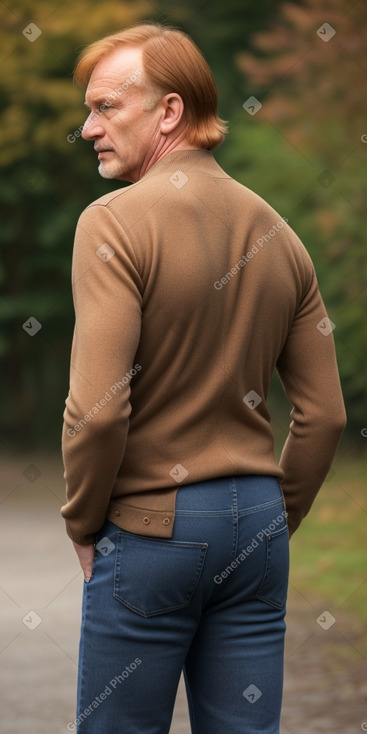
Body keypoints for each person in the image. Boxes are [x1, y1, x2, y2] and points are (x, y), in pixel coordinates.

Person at [61, 21, 346, 734]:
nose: (88, 127)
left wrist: (83, 520)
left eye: (106, 107)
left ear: (168, 111)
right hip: (255, 525)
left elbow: (97, 411)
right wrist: (272, 523)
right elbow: (325, 416)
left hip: (153, 529)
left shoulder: (113, 224)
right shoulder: (281, 235)